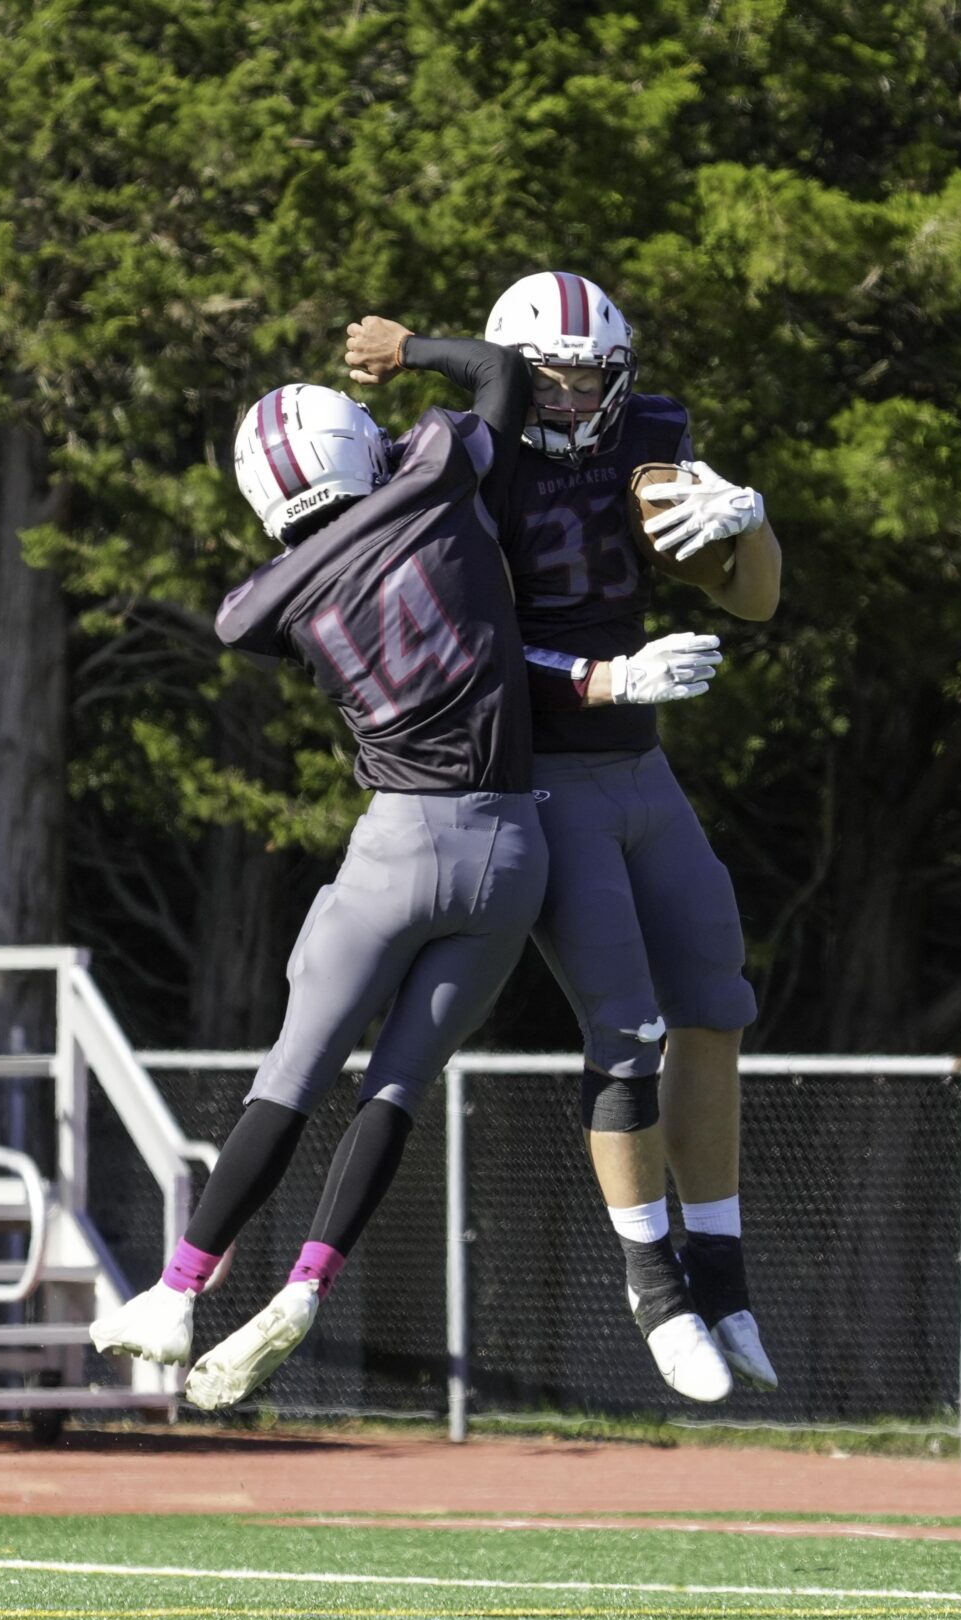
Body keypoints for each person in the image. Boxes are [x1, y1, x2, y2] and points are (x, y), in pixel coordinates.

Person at [89, 338, 723, 1410]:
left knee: (291, 1076)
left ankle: (177, 1287)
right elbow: (503, 386)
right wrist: (409, 353)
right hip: (510, 849)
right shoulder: (433, 472)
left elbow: (234, 618)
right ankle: (304, 1291)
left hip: (397, 844)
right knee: (397, 1086)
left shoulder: (274, 597)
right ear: (362, 451)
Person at [344, 272, 783, 1401]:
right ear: (515, 370)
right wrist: (603, 674)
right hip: (540, 775)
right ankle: (653, 1287)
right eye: (553, 372)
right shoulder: (463, 457)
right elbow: (466, 649)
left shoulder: (647, 436)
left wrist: (751, 521)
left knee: (715, 1002)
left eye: (592, 371)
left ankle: (722, 1272)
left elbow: (753, 604)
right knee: (625, 1027)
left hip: (642, 766)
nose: (577, 391)